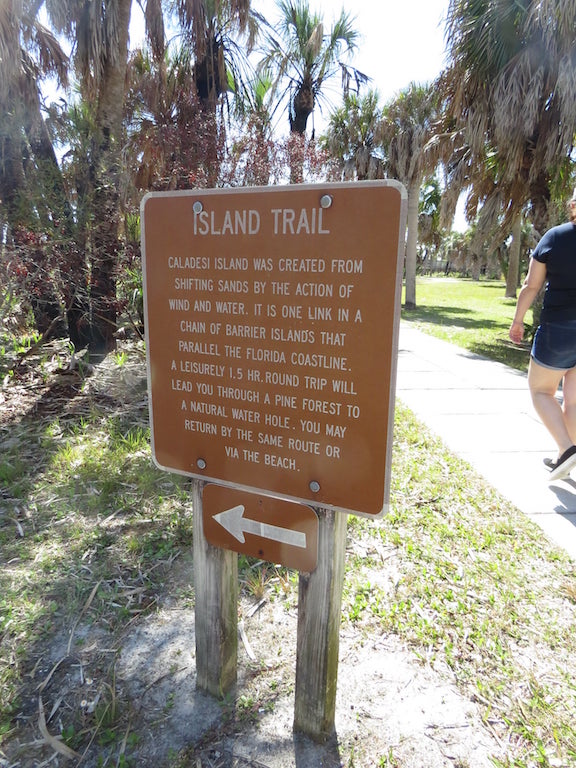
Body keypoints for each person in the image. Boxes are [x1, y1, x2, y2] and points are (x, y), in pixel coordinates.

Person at [509, 191, 576, 481]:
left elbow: (531, 285)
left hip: (559, 328)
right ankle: (567, 455)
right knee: (573, 402)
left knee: (540, 391)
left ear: (572, 205)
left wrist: (517, 320)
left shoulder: (556, 237)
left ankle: (566, 449)